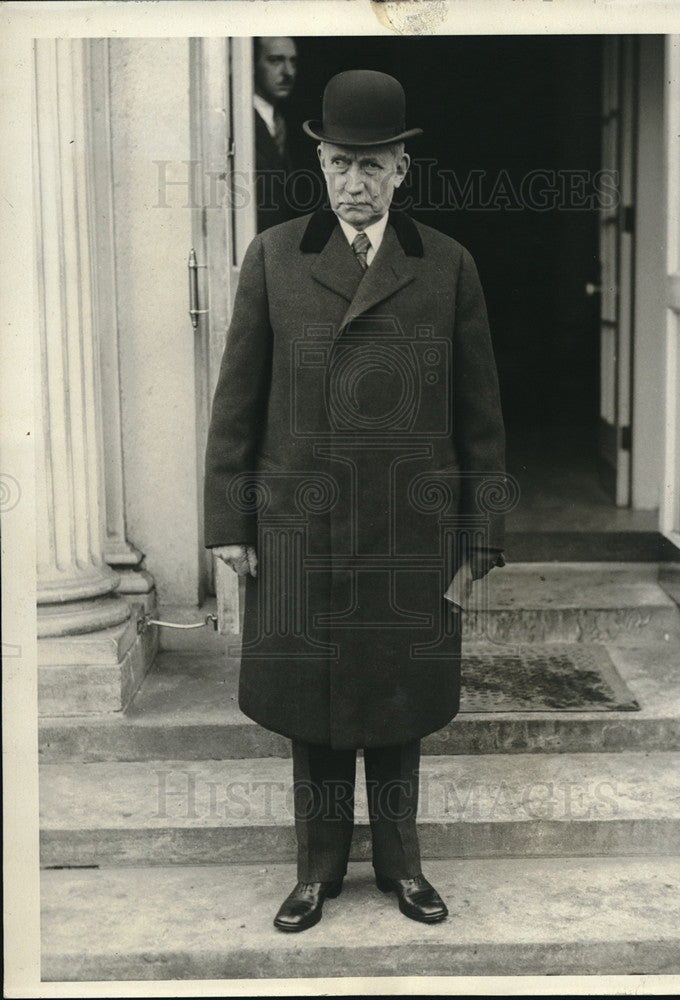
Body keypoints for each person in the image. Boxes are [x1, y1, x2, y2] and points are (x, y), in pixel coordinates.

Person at [204, 69, 507, 932]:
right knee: (313, 708)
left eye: (374, 165)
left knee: (400, 705)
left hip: (411, 531)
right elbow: (236, 404)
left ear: (402, 169)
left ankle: (404, 868)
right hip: (301, 530)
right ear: (322, 164)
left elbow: (481, 417)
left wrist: (478, 537)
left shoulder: (446, 265)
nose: (357, 182)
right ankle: (316, 871)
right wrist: (231, 523)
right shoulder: (274, 256)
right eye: (342, 164)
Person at [252, 36, 300, 232]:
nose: (288, 72)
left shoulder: (288, 121)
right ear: (251, 64)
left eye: (293, 62)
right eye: (275, 60)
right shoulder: (239, 123)